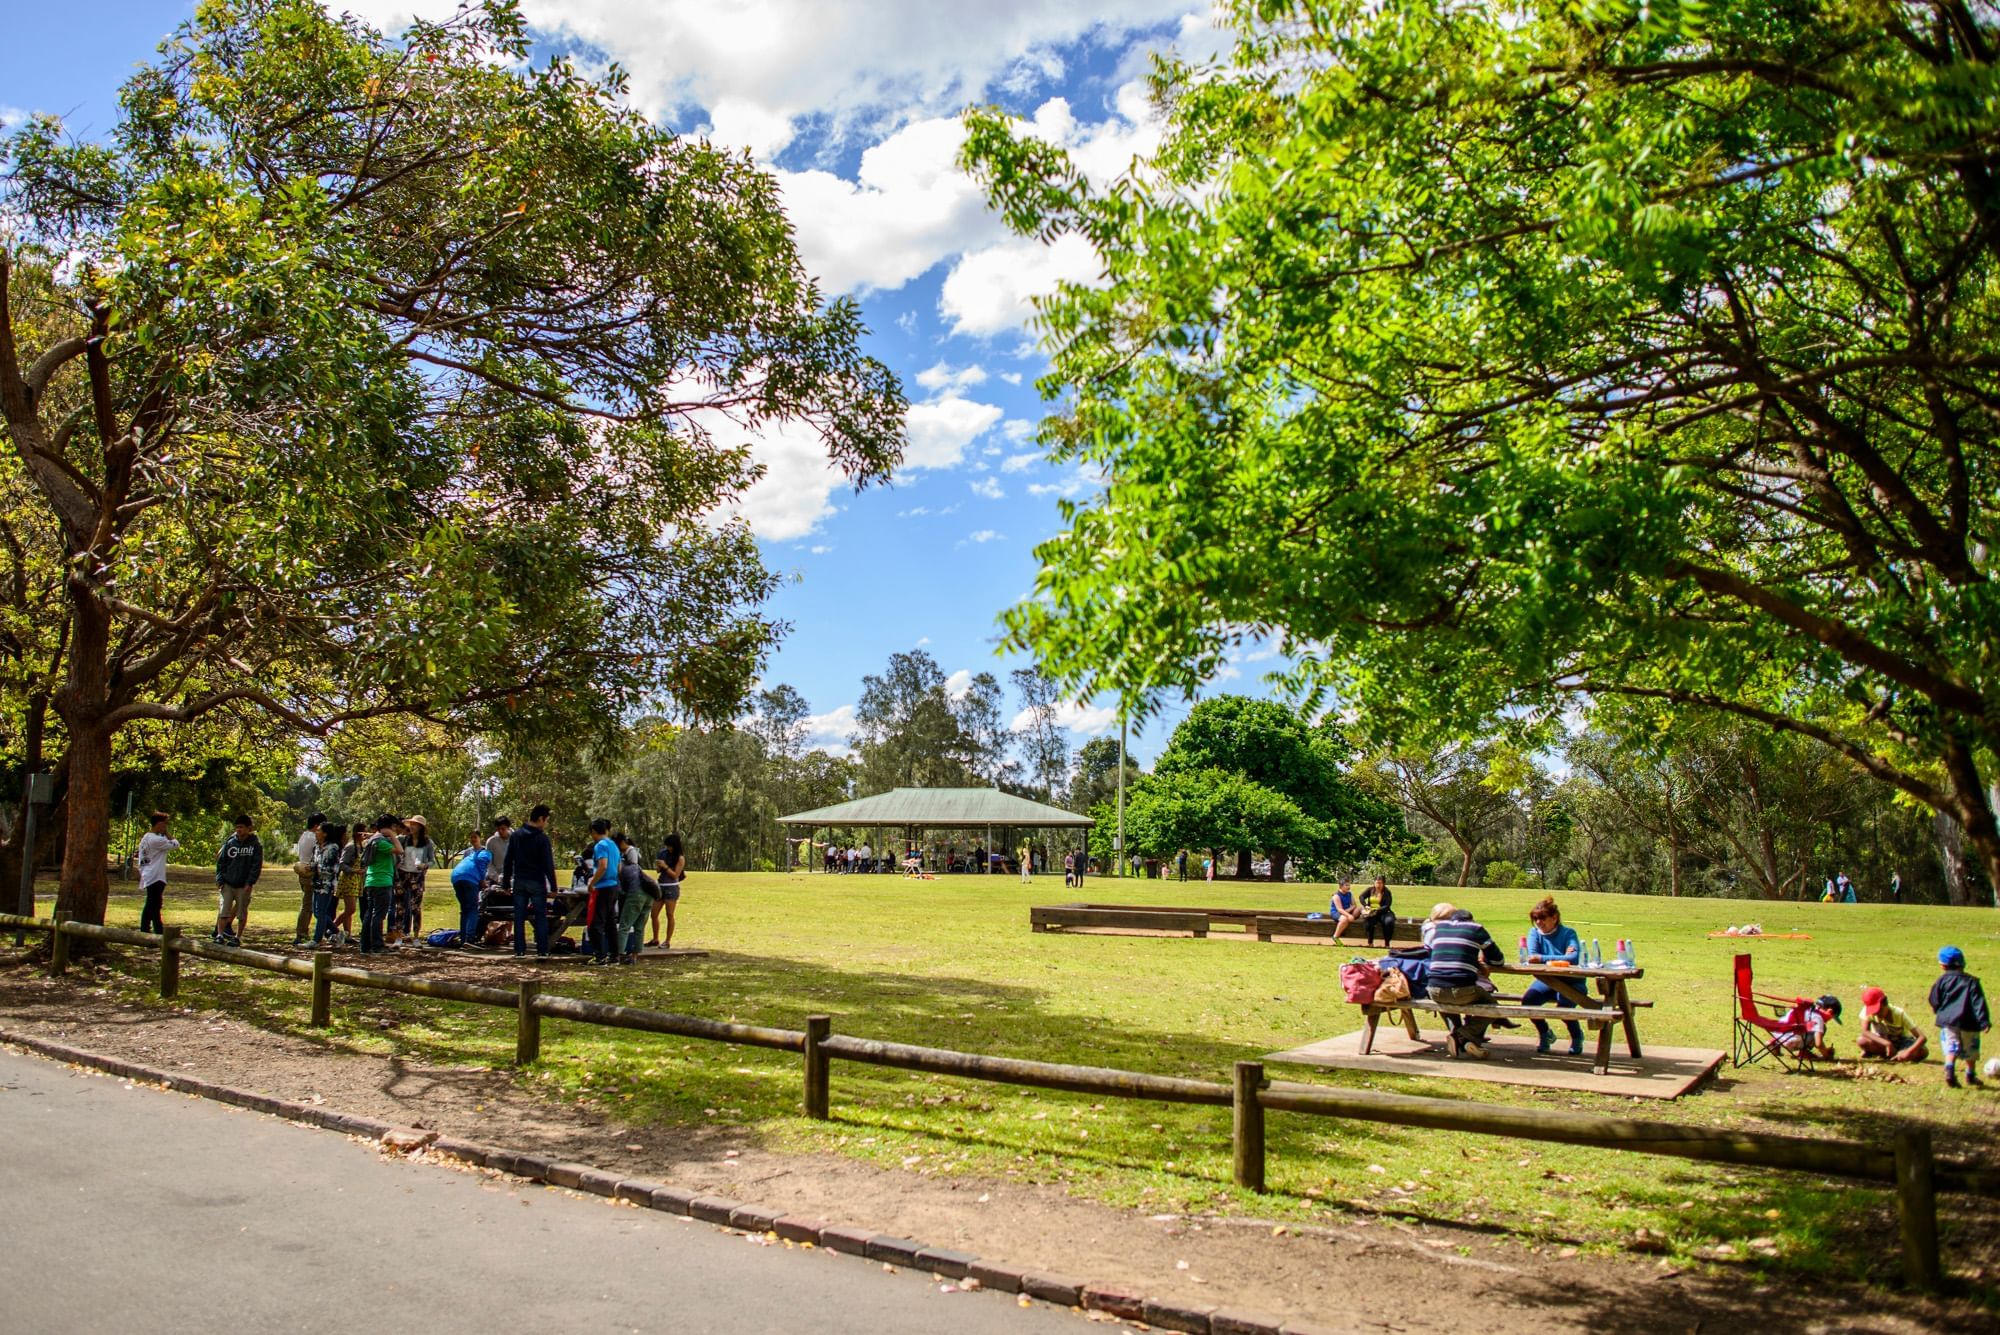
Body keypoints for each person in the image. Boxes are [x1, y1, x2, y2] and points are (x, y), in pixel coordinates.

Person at [1428, 907, 1504, 1059]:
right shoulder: (1476, 929)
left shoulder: (1439, 929)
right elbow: (1498, 960)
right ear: (1471, 920)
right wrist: (1480, 962)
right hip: (1462, 989)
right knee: (1493, 1007)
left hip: (1433, 990)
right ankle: (1462, 1036)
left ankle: (1462, 1039)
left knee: (1448, 1002)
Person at [1520, 896, 1584, 1056]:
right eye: (1535, 919)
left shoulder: (1569, 933)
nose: (1539, 922)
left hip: (1571, 981)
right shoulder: (1534, 933)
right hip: (1546, 980)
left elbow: (1573, 959)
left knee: (1564, 1007)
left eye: (1542, 918)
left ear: (1554, 918)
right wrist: (1559, 958)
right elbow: (1532, 956)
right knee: (1529, 1001)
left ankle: (1577, 1037)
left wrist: (1543, 958)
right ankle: (1545, 1034)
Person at [1930, 946, 1991, 1089]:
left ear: (1942, 965)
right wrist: (1984, 1021)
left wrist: (1938, 1009)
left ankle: (1949, 1069)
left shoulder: (1942, 981)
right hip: (1969, 1021)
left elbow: (1934, 998)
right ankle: (1970, 1074)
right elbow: (1978, 1002)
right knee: (1971, 1049)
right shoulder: (1972, 982)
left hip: (1949, 1022)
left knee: (1951, 1047)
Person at [504, 804, 557, 958]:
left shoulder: (516, 836)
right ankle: (542, 950)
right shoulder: (542, 838)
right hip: (536, 881)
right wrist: (553, 886)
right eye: (546, 821)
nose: (545, 824)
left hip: (520, 879)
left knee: (519, 916)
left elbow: (508, 860)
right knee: (540, 916)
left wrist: (506, 882)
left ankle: (520, 950)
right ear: (541, 818)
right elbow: (548, 864)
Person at [213, 814, 263, 945]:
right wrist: (220, 879)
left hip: (243, 885)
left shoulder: (255, 845)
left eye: (241, 827)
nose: (238, 830)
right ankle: (219, 934)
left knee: (241, 912)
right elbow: (221, 863)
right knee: (224, 910)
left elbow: (256, 866)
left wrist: (250, 882)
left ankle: (237, 937)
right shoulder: (230, 843)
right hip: (228, 883)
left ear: (249, 828)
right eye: (237, 827)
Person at [358, 816, 400, 955]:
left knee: (370, 914)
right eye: (393, 827)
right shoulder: (381, 843)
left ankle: (365, 946)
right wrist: (392, 835)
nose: (395, 830)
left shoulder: (373, 840)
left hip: (371, 881)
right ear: (388, 827)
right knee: (379, 915)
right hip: (382, 881)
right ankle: (377, 945)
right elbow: (400, 850)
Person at [1856, 986, 1928, 1063]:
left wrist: (1908, 1052)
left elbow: (1922, 1037)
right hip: (1881, 1040)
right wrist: (1887, 1044)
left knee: (1923, 1051)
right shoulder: (1867, 1011)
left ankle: (1896, 1054)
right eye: (1874, 1012)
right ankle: (1885, 1053)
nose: (1876, 1014)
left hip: (1900, 1042)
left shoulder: (1899, 1014)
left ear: (1885, 1003)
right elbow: (1865, 1032)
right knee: (1861, 1041)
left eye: (1879, 1010)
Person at [136, 811, 179, 936]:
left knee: (154, 903)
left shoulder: (146, 837)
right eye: (165, 824)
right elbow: (176, 844)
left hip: (148, 873)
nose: (166, 826)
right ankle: (148, 929)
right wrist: (167, 834)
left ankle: (155, 928)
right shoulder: (156, 840)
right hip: (155, 875)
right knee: (153, 903)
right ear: (159, 824)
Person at [584, 818, 621, 965]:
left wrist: (592, 882)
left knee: (595, 923)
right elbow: (618, 868)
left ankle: (599, 956)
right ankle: (614, 955)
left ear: (593, 832)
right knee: (610, 923)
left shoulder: (600, 845)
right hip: (614, 885)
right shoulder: (614, 845)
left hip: (602, 887)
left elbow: (603, 866)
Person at [395, 815, 435, 940]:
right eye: (411, 824)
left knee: (415, 907)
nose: (412, 827)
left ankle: (416, 936)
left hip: (417, 876)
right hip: (402, 875)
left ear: (421, 827)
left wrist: (425, 865)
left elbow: (432, 861)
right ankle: (398, 936)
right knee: (400, 907)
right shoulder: (403, 839)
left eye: (415, 824)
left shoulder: (428, 843)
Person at [450, 841, 493, 948]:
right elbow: (482, 863)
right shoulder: (486, 853)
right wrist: (482, 880)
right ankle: (470, 938)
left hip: (456, 877)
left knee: (465, 909)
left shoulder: (471, 855)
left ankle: (463, 938)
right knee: (473, 908)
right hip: (470, 879)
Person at [291, 813, 324, 948]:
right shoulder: (313, 837)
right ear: (316, 826)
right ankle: (301, 933)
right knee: (308, 905)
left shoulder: (304, 835)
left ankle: (303, 932)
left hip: (303, 871)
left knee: (307, 904)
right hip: (309, 872)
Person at [310, 823, 347, 948]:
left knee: (321, 912)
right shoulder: (316, 847)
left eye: (319, 830)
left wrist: (315, 870)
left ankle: (316, 940)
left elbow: (332, 868)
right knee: (317, 912)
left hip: (327, 884)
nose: (316, 831)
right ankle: (337, 932)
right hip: (316, 883)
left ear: (325, 833)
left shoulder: (333, 848)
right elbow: (314, 862)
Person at [652, 833, 686, 948]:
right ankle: (655, 938)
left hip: (671, 887)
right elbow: (658, 871)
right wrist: (658, 866)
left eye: (670, 846)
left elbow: (675, 875)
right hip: (660, 885)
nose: (668, 848)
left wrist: (665, 866)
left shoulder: (680, 858)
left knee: (669, 914)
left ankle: (667, 941)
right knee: (653, 914)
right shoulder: (663, 853)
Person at [335, 825, 364, 944]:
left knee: (349, 909)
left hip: (356, 880)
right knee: (351, 909)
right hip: (348, 879)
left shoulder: (361, 846)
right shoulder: (351, 846)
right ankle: (331, 927)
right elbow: (342, 864)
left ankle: (347, 933)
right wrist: (354, 871)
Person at [1360, 876, 1395, 947]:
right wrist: (1366, 905)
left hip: (1384, 912)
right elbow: (1361, 897)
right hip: (1372, 913)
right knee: (1369, 923)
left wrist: (1377, 910)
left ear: (1383, 884)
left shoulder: (1387, 892)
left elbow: (1387, 905)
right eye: (1377, 883)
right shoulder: (1370, 890)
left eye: (1380, 883)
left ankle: (1387, 943)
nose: (1378, 885)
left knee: (1389, 922)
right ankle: (1370, 943)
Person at [484, 817, 512, 882]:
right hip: (496, 878)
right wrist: (496, 877)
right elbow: (489, 863)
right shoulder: (491, 842)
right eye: (498, 829)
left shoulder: (516, 840)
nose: (500, 831)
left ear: (508, 828)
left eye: (503, 829)